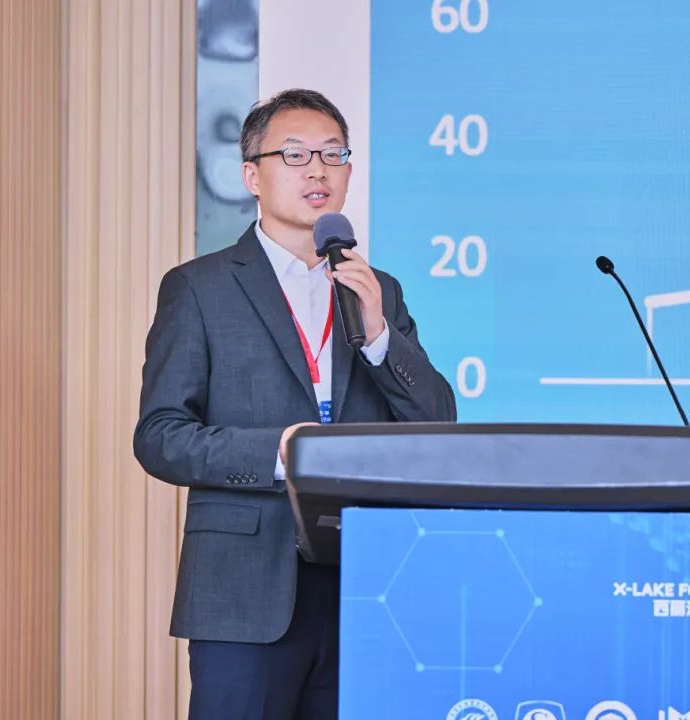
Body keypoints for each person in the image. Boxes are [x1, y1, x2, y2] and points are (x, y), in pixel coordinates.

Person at [134, 88, 457, 719]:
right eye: (296, 154)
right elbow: (160, 435)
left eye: (334, 154)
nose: (318, 170)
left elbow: (436, 423)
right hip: (245, 589)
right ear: (252, 175)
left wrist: (379, 336)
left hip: (366, 584)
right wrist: (282, 453)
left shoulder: (378, 291)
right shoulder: (198, 288)